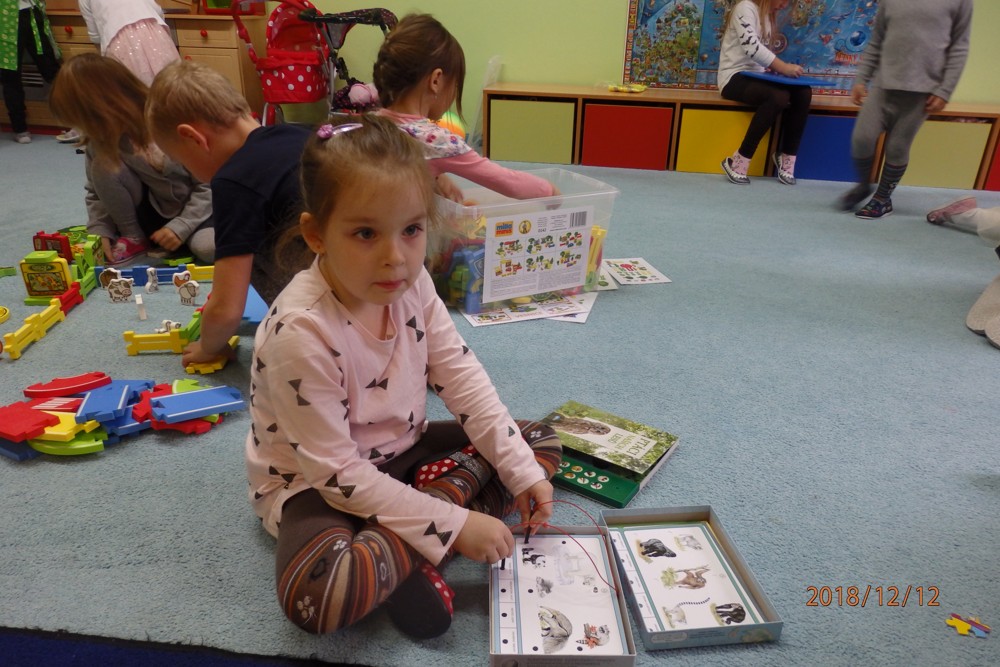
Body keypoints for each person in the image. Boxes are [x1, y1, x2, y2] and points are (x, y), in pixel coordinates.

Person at [245, 114, 562, 639]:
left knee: (537, 443)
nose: (395, 258)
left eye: (412, 230)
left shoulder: (413, 284)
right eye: (365, 233)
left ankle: (407, 541)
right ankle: (429, 527)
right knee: (318, 595)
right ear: (316, 234)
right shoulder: (301, 331)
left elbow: (463, 380)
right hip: (316, 484)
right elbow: (338, 475)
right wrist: (458, 525)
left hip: (403, 452)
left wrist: (523, 474)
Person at [146, 59, 312, 369]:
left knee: (247, 248)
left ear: (194, 138)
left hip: (334, 310)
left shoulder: (234, 181)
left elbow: (226, 310)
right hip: (385, 283)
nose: (191, 171)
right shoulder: (299, 132)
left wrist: (209, 347)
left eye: (184, 162)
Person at [49, 53, 213, 265]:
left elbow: (209, 184)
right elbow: (96, 192)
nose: (87, 131)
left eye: (89, 122)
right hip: (150, 217)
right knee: (104, 165)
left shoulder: (168, 124)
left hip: (201, 212)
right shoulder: (99, 140)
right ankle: (134, 237)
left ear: (110, 106)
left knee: (209, 248)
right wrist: (100, 230)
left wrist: (182, 225)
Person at [373, 13, 557, 201]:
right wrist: (548, 191)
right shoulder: (437, 141)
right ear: (436, 81)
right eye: (455, 85)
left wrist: (436, 176)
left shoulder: (372, 124)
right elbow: (505, 180)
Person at [839, 0, 973, 220]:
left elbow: (959, 47)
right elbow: (876, 41)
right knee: (862, 138)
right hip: (884, 86)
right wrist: (862, 79)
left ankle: (882, 199)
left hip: (921, 92)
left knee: (897, 147)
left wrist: (944, 91)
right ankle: (863, 185)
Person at [717, 0, 810, 186]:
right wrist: (782, 67)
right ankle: (740, 159)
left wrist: (769, 70)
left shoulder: (767, 15)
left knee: (803, 92)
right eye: (783, 0)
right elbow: (751, 47)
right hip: (733, 77)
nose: (784, 5)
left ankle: (787, 156)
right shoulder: (745, 7)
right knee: (778, 97)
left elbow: (761, 54)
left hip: (755, 76)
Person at [78, 0, 179, 86]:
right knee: (172, 82)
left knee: (132, 91)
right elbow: (157, 10)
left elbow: (95, 36)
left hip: (118, 39)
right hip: (154, 30)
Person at [1, 0, 60, 144]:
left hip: (31, 11)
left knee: (52, 71)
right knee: (10, 76)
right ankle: (20, 128)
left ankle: (77, 121)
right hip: (4, 17)